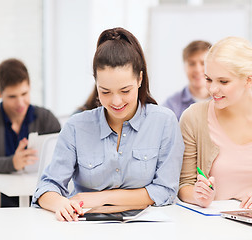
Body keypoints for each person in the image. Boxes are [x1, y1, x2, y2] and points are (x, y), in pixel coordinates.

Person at [33, 27, 184, 221]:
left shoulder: (164, 122)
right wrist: (61, 203)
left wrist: (99, 198)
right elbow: (46, 187)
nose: (116, 102)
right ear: (96, 84)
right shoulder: (77, 126)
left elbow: (165, 191)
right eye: (105, 92)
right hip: (84, 225)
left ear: (139, 78)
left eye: (125, 91)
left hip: (147, 227)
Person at [178, 37, 252, 209]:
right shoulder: (193, 118)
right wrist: (198, 196)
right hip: (213, 226)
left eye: (223, 81)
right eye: (209, 79)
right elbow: (185, 185)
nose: (212, 89)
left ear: (248, 80)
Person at [0, 58, 61, 207]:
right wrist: (11, 163)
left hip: (38, 195)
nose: (20, 103)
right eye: (12, 97)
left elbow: (65, 159)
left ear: (30, 87)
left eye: (24, 93)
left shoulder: (46, 119)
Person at [163, 40, 211, 120]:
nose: (198, 69)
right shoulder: (171, 105)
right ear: (184, 67)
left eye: (203, 63)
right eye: (192, 63)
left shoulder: (224, 101)